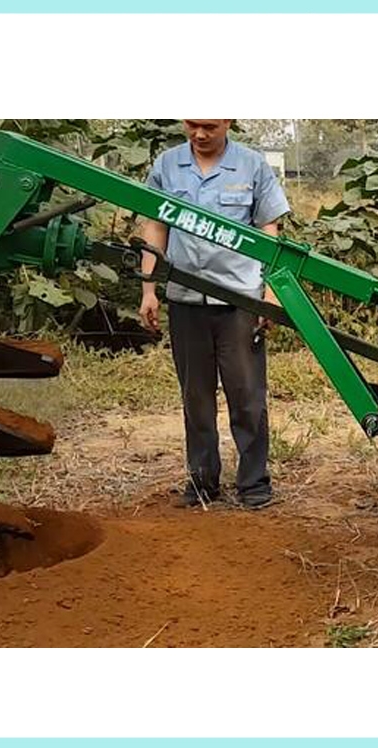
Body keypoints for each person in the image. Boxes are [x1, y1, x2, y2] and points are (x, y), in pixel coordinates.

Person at [138, 119, 290, 510]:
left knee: (247, 397)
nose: (200, 134)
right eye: (192, 125)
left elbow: (269, 231)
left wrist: (269, 293)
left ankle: (254, 484)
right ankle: (202, 483)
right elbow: (155, 227)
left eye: (208, 126)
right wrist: (149, 289)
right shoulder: (167, 166)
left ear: (227, 121)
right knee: (196, 397)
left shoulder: (252, 165)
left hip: (238, 299)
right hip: (186, 299)